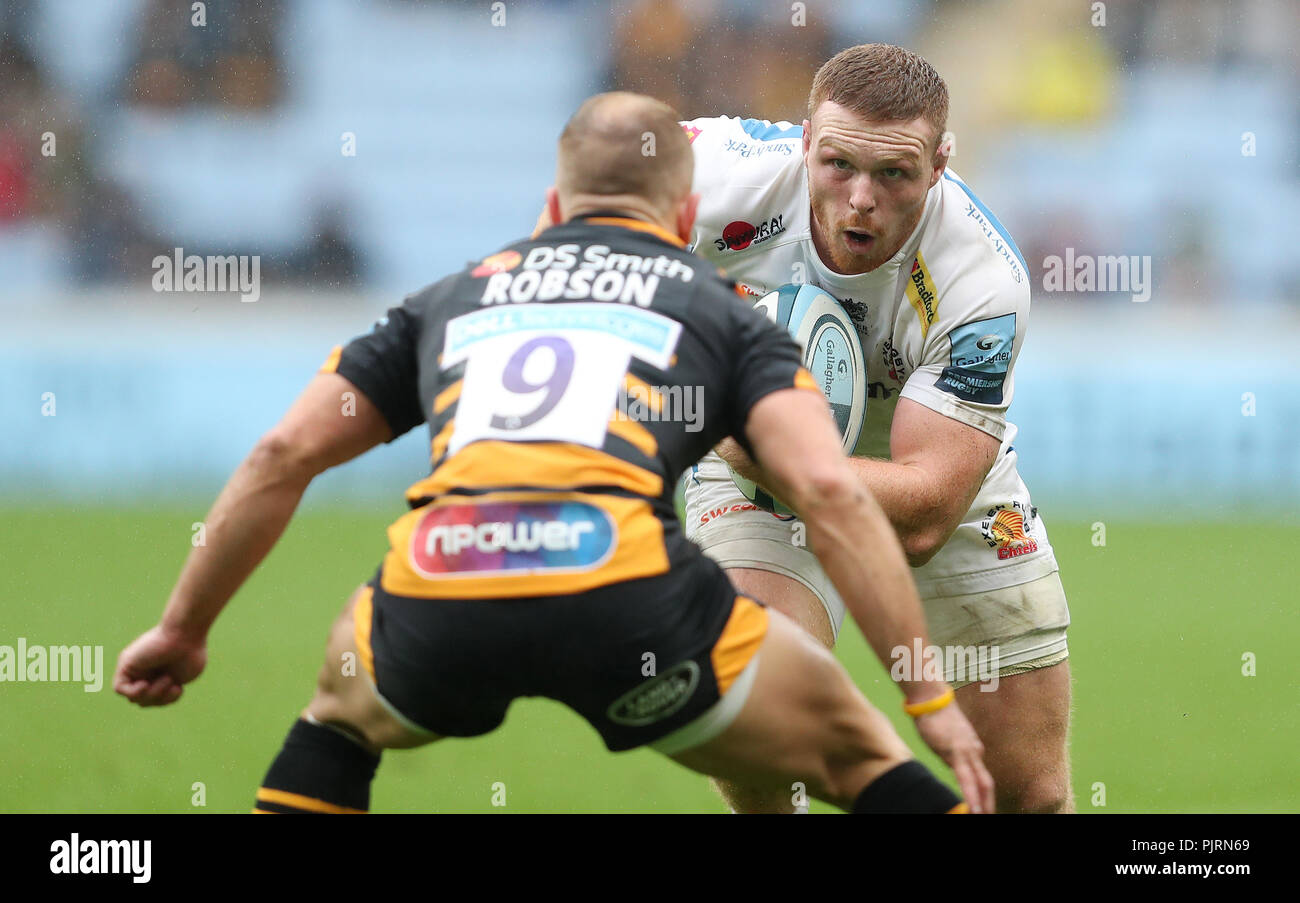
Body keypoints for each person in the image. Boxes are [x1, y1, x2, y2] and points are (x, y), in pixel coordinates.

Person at [115, 91, 993, 815]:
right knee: (857, 759)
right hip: (625, 602)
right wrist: (928, 702)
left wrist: (182, 630)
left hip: (445, 585)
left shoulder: (452, 297)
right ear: (685, 213)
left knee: (336, 716)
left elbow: (281, 454)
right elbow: (833, 499)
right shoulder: (722, 312)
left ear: (550, 205)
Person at [538, 45, 1071, 814]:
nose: (860, 198)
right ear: (802, 137)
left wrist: (750, 445)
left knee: (1032, 798)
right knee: (751, 708)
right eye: (837, 164)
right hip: (749, 448)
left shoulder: (981, 279)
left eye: (894, 174)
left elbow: (926, 512)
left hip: (920, 472)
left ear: (942, 162)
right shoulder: (714, 172)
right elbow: (572, 219)